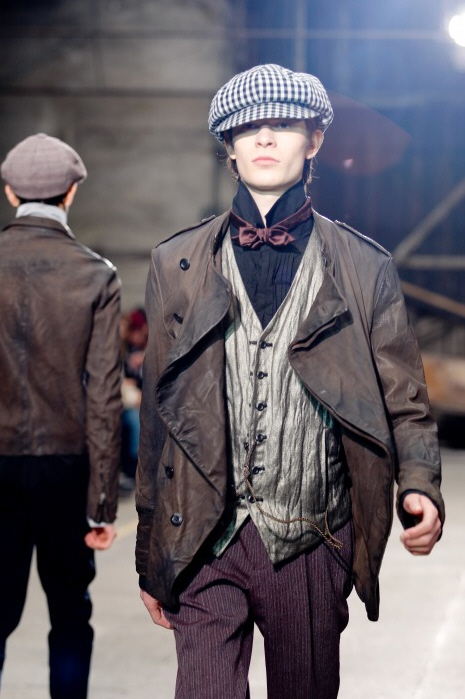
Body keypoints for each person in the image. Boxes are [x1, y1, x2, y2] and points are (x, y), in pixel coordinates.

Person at [136, 64, 445, 699]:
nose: (265, 138)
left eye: (283, 125)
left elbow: (406, 400)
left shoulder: (365, 267)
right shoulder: (176, 262)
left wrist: (420, 485)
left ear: (315, 141)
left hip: (310, 535)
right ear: (229, 146)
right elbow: (160, 415)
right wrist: (151, 555)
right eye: (247, 128)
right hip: (203, 538)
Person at [0, 133, 122, 698]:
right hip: (66, 469)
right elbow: (103, 399)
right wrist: (102, 502)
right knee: (70, 612)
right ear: (72, 193)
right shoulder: (97, 275)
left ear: (10, 193)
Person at [120, 308, 148, 491]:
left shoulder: (147, 348)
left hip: (139, 400)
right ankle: (133, 468)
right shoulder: (125, 350)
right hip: (127, 402)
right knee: (133, 419)